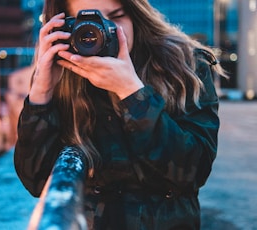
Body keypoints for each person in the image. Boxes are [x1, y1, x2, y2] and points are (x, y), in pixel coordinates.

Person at [14, 0, 225, 229]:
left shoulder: (186, 66)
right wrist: (42, 92)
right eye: (86, 24)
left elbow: (195, 171)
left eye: (115, 17)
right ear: (65, 30)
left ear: (135, 14)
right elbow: (37, 182)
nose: (104, 30)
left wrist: (132, 92)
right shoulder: (63, 79)